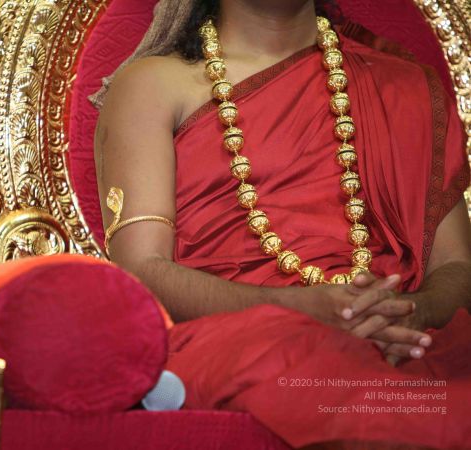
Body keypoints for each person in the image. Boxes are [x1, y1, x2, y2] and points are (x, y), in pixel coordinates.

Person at [92, 0, 471, 448]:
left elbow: (457, 266)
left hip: (406, 336)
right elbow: (142, 270)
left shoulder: (402, 85)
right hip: (245, 339)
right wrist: (300, 310)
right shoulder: (154, 86)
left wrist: (407, 313)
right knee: (323, 377)